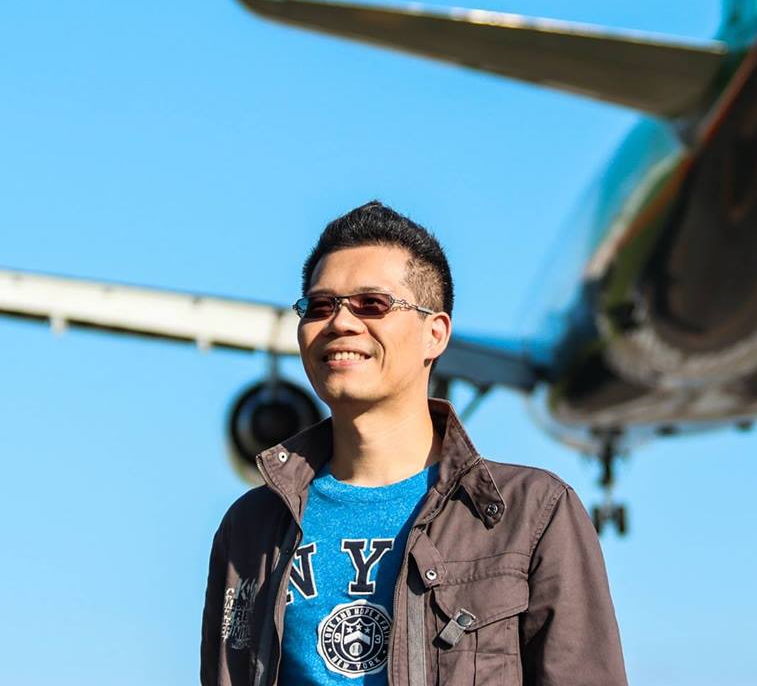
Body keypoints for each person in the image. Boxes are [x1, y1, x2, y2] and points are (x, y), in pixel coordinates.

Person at [201, 201, 628, 686]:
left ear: (435, 334)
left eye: (372, 304)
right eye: (320, 307)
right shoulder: (250, 526)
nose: (340, 322)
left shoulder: (532, 514)